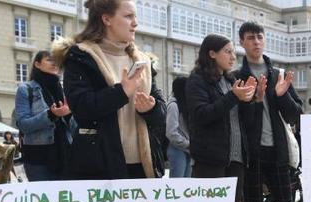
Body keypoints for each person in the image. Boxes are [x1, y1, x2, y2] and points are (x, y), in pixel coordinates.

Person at [235, 21, 311, 202]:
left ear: (264, 40)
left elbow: (295, 113)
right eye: (250, 37)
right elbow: (241, 120)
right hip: (253, 152)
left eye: (259, 36)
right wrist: (255, 99)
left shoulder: (279, 74)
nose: (256, 41)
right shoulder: (236, 76)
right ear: (242, 42)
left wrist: (280, 95)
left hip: (278, 151)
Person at [58, 0, 166, 181]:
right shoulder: (81, 56)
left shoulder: (142, 61)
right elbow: (81, 107)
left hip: (143, 168)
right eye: (128, 16)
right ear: (107, 19)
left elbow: (161, 115)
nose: (135, 23)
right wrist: (121, 92)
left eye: (135, 16)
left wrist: (151, 109)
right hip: (100, 169)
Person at [186, 34, 258, 202]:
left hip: (236, 158)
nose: (232, 56)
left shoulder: (232, 81)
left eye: (233, 52)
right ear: (212, 53)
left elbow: (243, 122)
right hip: (211, 159)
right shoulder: (197, 81)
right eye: (227, 51)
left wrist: (253, 101)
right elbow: (201, 115)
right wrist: (233, 98)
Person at [14, 50, 74, 181]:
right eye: (49, 59)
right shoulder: (25, 89)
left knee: (63, 200)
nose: (54, 63)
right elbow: (23, 124)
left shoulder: (65, 89)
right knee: (44, 200)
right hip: (38, 160)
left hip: (66, 156)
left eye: (56, 60)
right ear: (37, 64)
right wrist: (50, 114)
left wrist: (69, 114)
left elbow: (73, 126)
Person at [165, 75, 192, 178]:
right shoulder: (173, 105)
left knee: (186, 186)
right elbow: (171, 132)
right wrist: (188, 144)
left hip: (188, 150)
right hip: (177, 149)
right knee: (177, 185)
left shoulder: (185, 105)